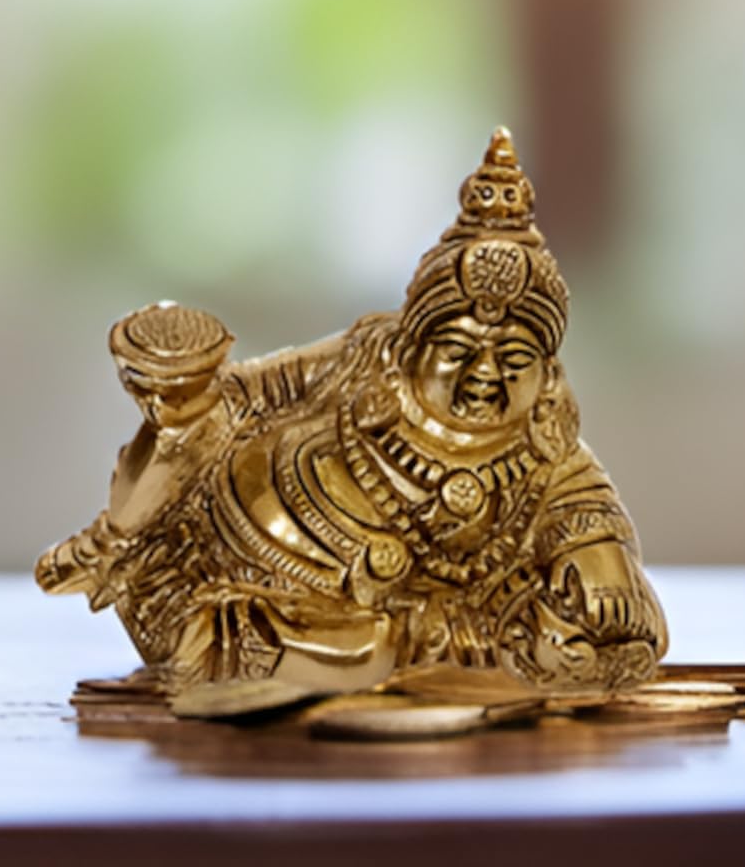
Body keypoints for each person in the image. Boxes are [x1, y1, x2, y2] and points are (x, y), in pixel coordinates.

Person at [37, 128, 667, 714]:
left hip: (409, 612)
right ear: (411, 345)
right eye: (458, 350)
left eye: (516, 357)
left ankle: (446, 648)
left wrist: (600, 552)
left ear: (548, 371)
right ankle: (147, 577)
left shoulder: (539, 435)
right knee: (343, 639)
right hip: (259, 543)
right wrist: (185, 407)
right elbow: (253, 390)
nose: (486, 373)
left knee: (410, 642)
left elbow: (580, 494)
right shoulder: (368, 356)